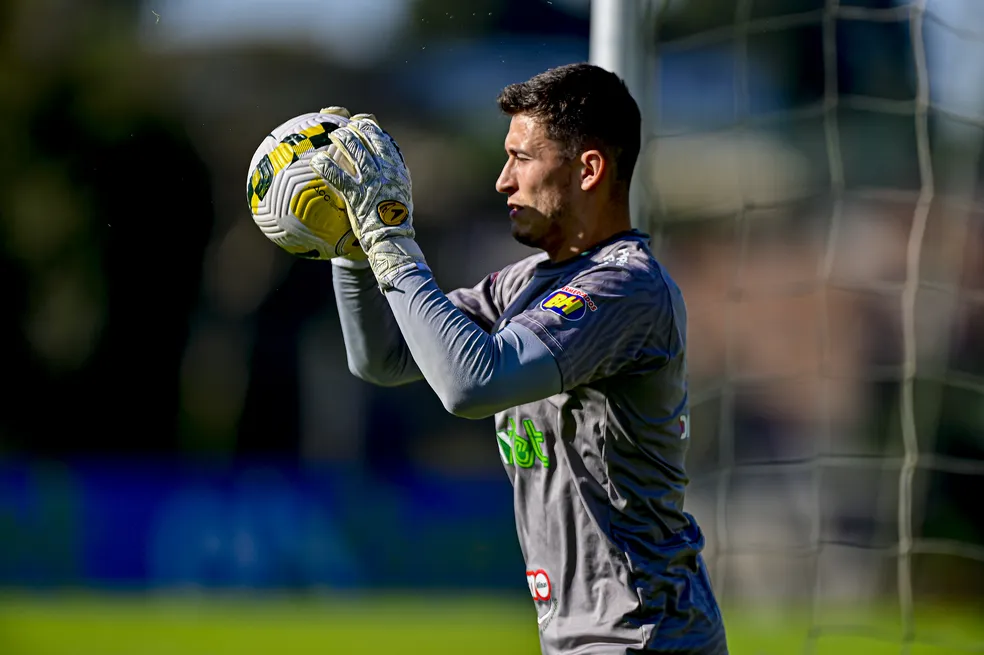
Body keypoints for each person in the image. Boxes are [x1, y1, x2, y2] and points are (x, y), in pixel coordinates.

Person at [311, 63, 727, 655]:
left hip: (645, 638)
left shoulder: (625, 289)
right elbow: (382, 356)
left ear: (588, 169)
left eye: (521, 158)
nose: (503, 181)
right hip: (582, 640)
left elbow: (471, 384)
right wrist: (352, 246)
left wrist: (391, 240)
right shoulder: (521, 284)